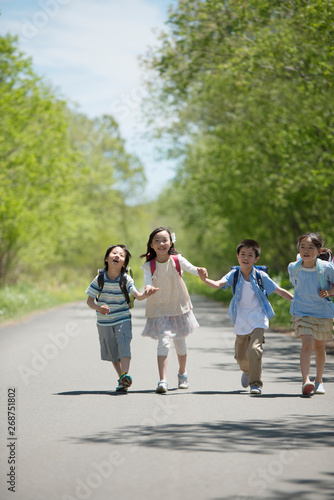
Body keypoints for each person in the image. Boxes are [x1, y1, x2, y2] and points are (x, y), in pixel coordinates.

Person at [198, 239, 293, 395]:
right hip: (241, 320)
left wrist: (297, 301)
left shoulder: (261, 276)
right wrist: (204, 279)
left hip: (258, 319)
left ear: (256, 259)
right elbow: (217, 284)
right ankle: (248, 371)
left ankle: (256, 384)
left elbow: (280, 291)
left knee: (255, 350)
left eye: (250, 255)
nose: (246, 258)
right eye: (243, 254)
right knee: (240, 356)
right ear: (237, 256)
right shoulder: (234, 275)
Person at [140, 227, 207, 393]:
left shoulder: (177, 260)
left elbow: (192, 269)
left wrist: (200, 271)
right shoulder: (149, 266)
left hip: (178, 307)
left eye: (165, 240)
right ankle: (162, 380)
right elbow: (147, 282)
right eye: (157, 240)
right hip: (159, 308)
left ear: (171, 242)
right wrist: (148, 288)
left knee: (180, 345)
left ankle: (182, 373)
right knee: (163, 342)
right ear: (151, 245)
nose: (161, 243)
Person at [86, 244, 158, 392]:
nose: (117, 256)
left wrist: (147, 294)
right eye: (114, 253)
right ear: (107, 258)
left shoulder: (126, 278)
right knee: (113, 353)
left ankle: (125, 373)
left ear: (124, 263)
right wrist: (98, 307)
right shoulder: (99, 278)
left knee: (124, 346)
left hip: (122, 318)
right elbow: (90, 301)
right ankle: (122, 379)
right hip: (104, 321)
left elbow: (137, 295)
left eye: (121, 255)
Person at [288, 233, 334, 396]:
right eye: (302, 247)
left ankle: (319, 381)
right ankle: (305, 381)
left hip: (321, 312)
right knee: (307, 343)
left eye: (310, 248)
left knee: (319, 347)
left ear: (319, 250)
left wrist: (329, 291)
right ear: (298, 249)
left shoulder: (327, 268)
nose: (306, 251)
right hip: (301, 312)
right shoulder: (293, 267)